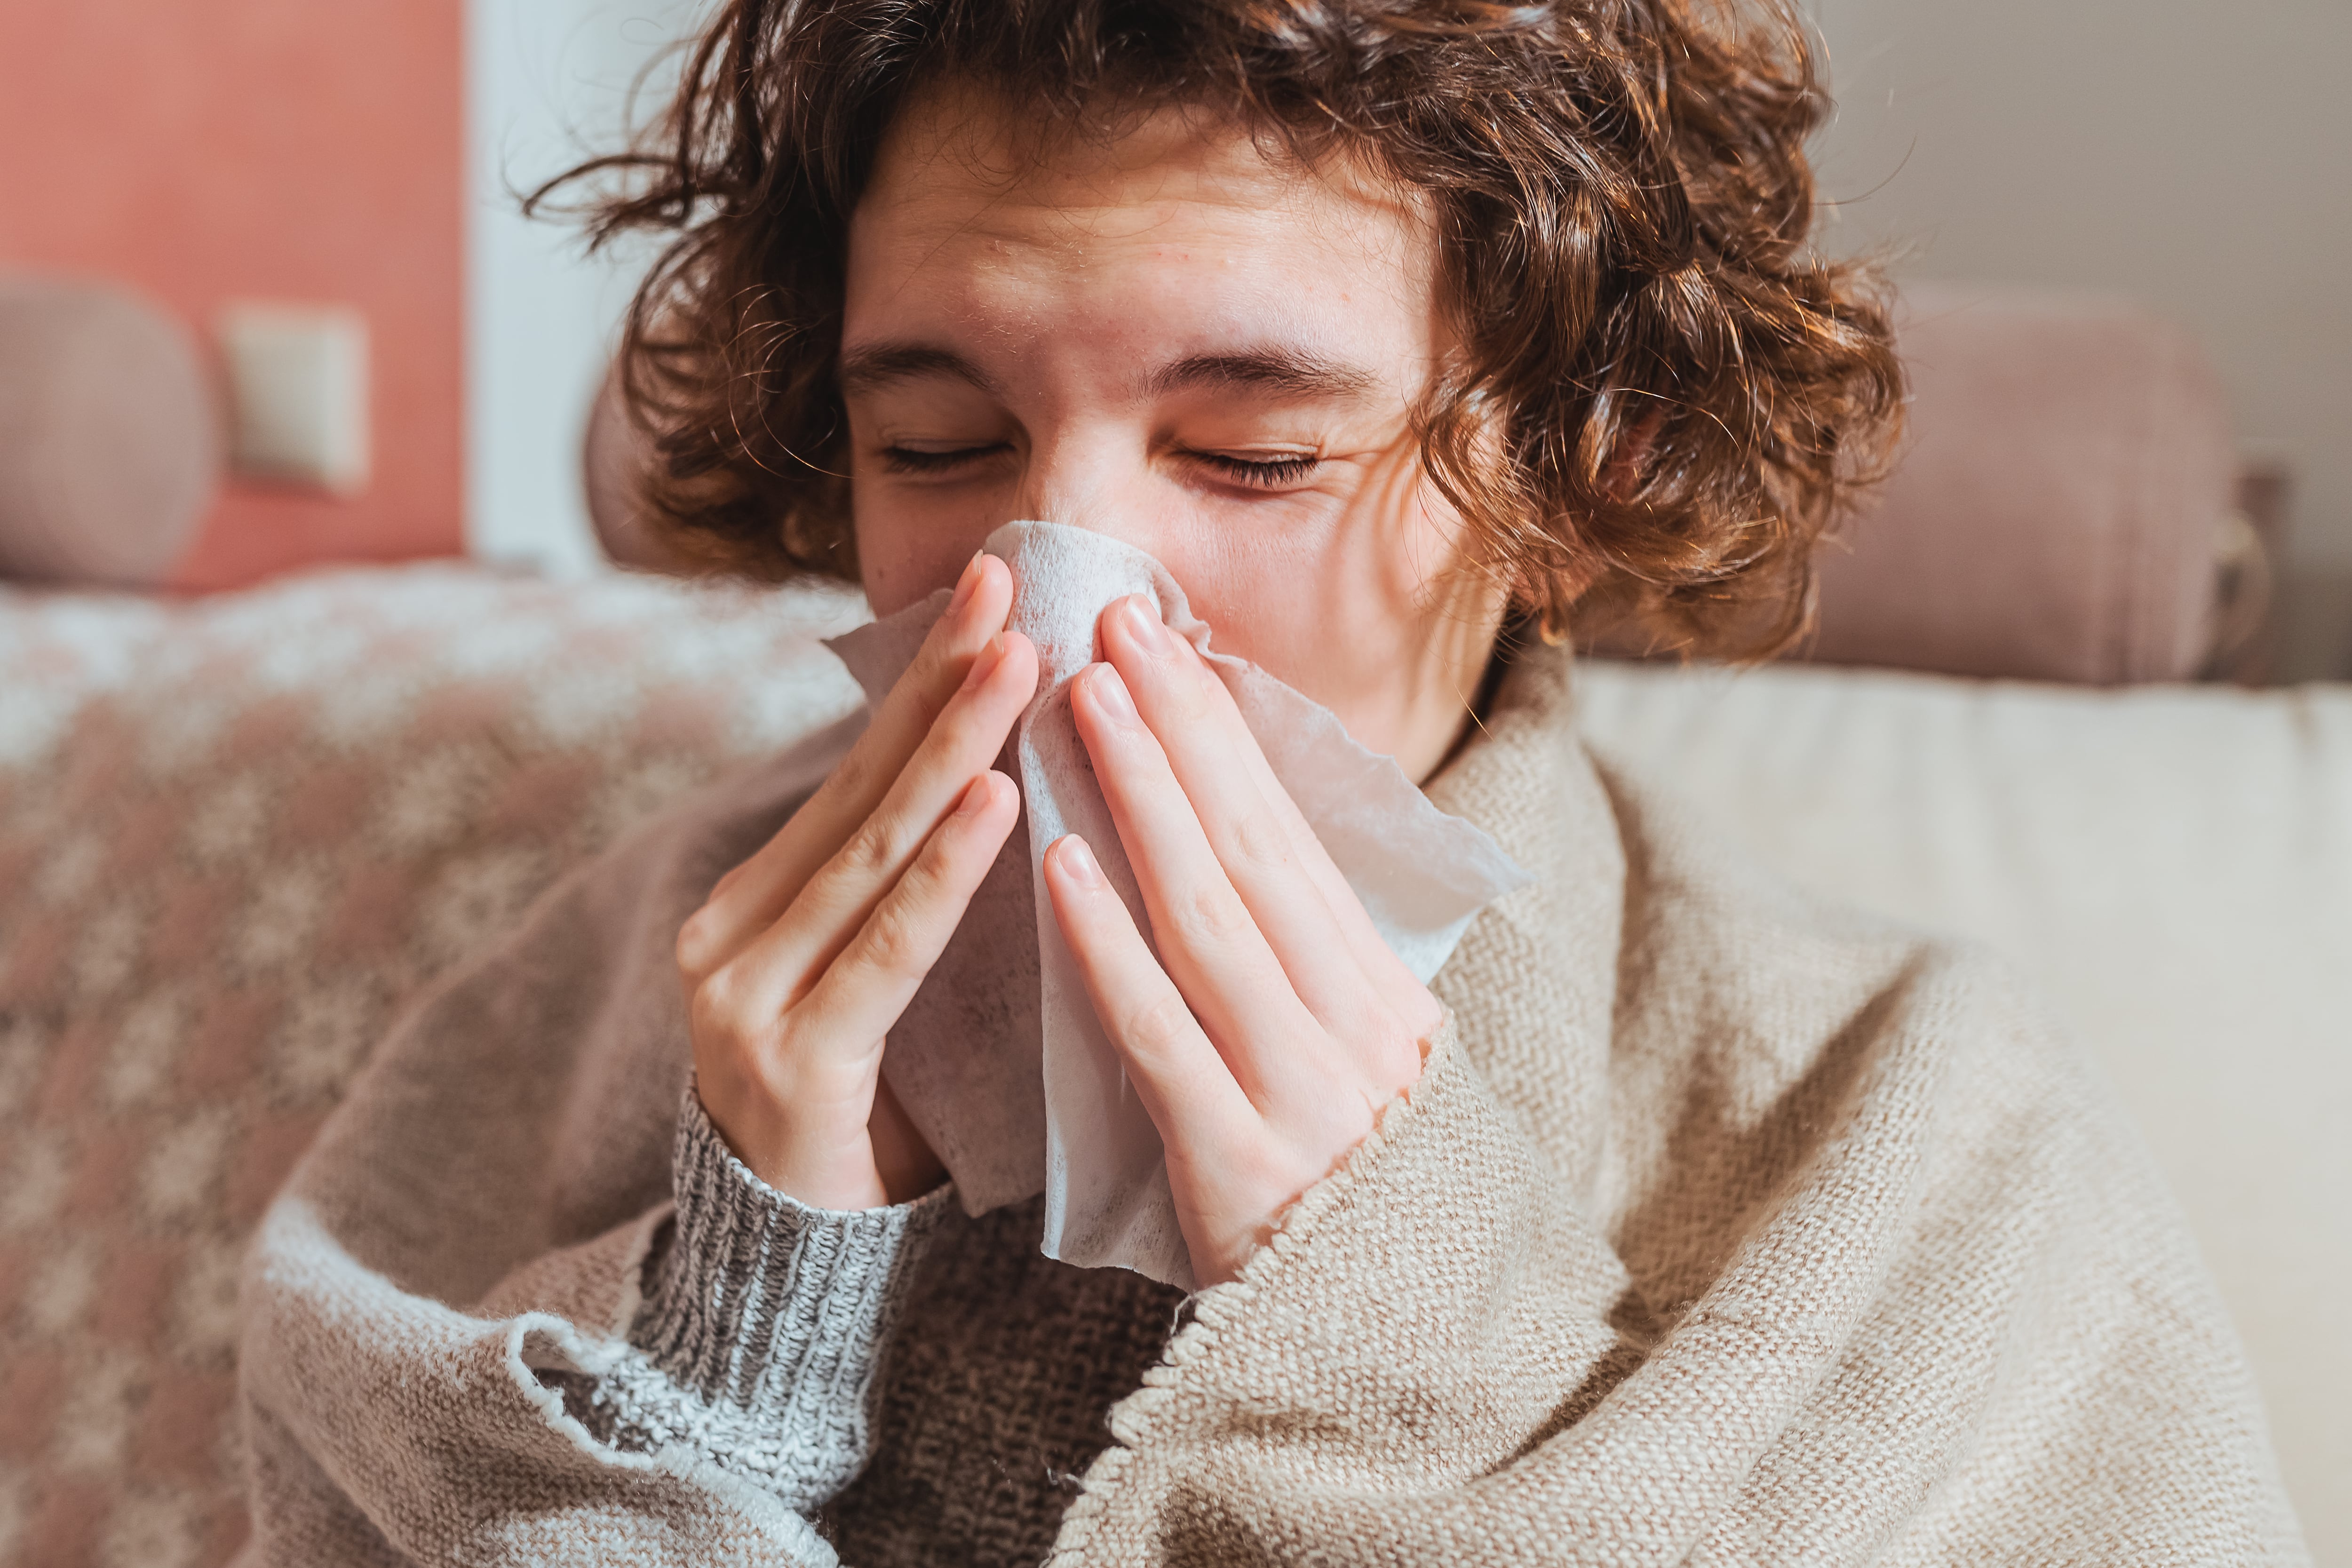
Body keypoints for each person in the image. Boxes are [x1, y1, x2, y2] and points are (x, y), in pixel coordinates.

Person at [234, 2, 2309, 1563]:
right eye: (939, 445)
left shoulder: (1900, 1116)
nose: (1049, 601)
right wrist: (731, 1332)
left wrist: (1388, 1313)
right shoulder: (637, 970)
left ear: (1571, 470)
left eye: (1249, 453)